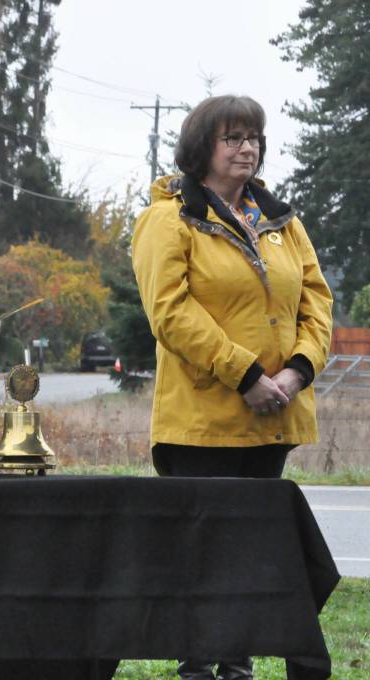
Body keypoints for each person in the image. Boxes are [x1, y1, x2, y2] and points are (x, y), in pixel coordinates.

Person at [132, 95, 333, 680]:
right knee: (203, 561)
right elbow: (169, 312)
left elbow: (316, 300)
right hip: (201, 423)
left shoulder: (281, 220)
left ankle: (237, 667)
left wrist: (296, 371)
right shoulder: (167, 219)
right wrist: (246, 375)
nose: (248, 148)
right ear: (203, 148)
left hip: (271, 418)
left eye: (255, 138)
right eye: (234, 138)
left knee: (249, 558)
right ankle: (197, 668)